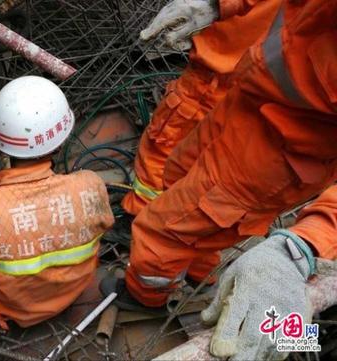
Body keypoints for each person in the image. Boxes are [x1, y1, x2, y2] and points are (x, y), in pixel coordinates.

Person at [108, 0, 336, 359]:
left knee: (162, 228)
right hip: (250, 98)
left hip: (281, 148)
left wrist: (309, 242)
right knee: (180, 177)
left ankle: (145, 295)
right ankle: (201, 273)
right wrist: (219, 4)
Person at [0, 76, 114, 329]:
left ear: (0, 144)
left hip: (15, 313)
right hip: (74, 293)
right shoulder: (90, 186)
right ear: (60, 142)